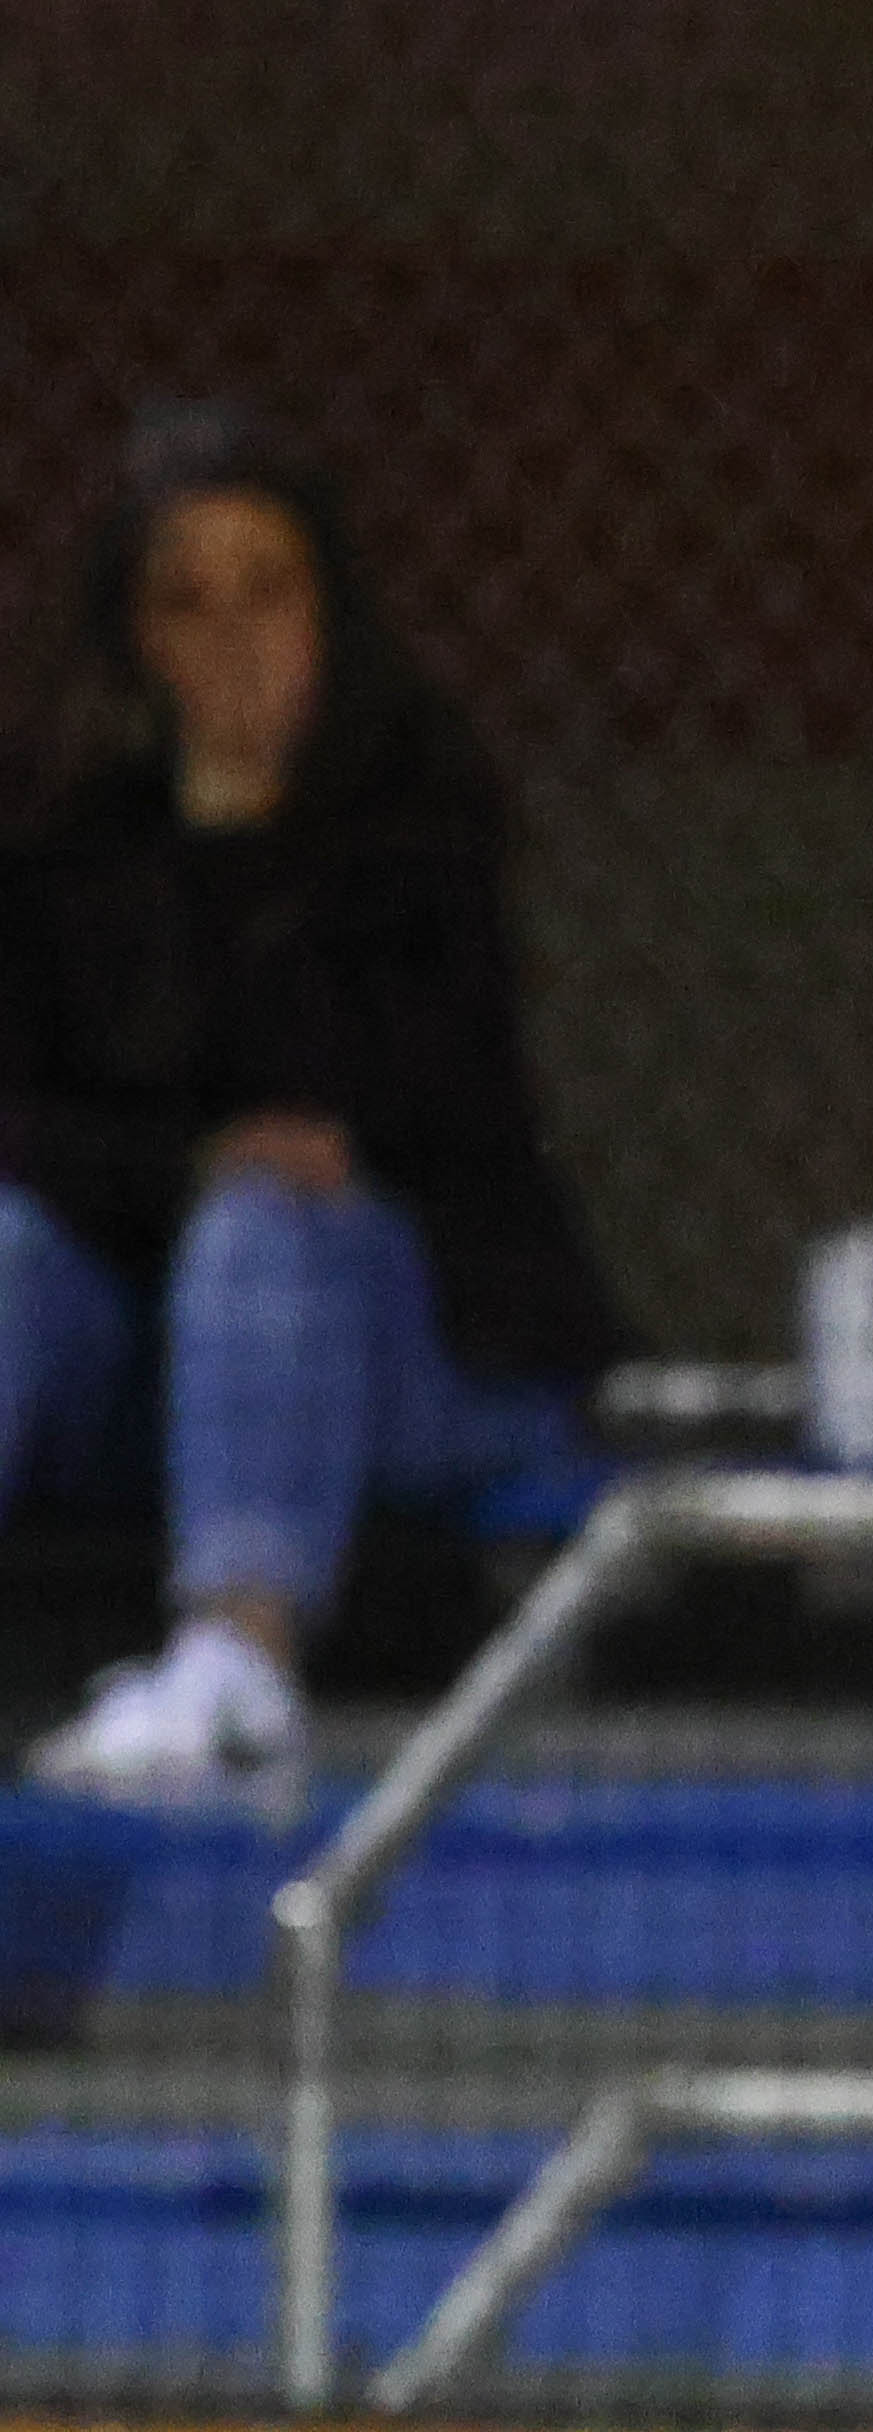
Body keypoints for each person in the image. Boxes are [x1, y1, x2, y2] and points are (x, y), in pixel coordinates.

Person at [5, 402, 615, 1807]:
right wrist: (184, 1161)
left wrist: (244, 858)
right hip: (159, 1346)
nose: (232, 638)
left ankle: (235, 1668)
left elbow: (383, 1114)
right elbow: (30, 1125)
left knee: (268, 1222)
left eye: (268, 591)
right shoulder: (77, 850)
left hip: (407, 1344)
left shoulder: (422, 823)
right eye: (187, 601)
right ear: (139, 642)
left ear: (328, 610)